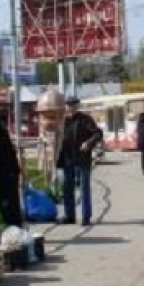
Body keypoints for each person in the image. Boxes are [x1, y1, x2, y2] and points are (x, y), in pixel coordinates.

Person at [57, 96, 103, 226]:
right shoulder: (63, 121)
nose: (71, 108)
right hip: (67, 159)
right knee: (67, 188)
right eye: (68, 105)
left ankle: (86, 216)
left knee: (84, 188)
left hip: (82, 158)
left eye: (73, 105)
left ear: (77, 106)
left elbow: (98, 133)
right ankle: (69, 215)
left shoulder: (85, 119)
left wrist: (88, 143)